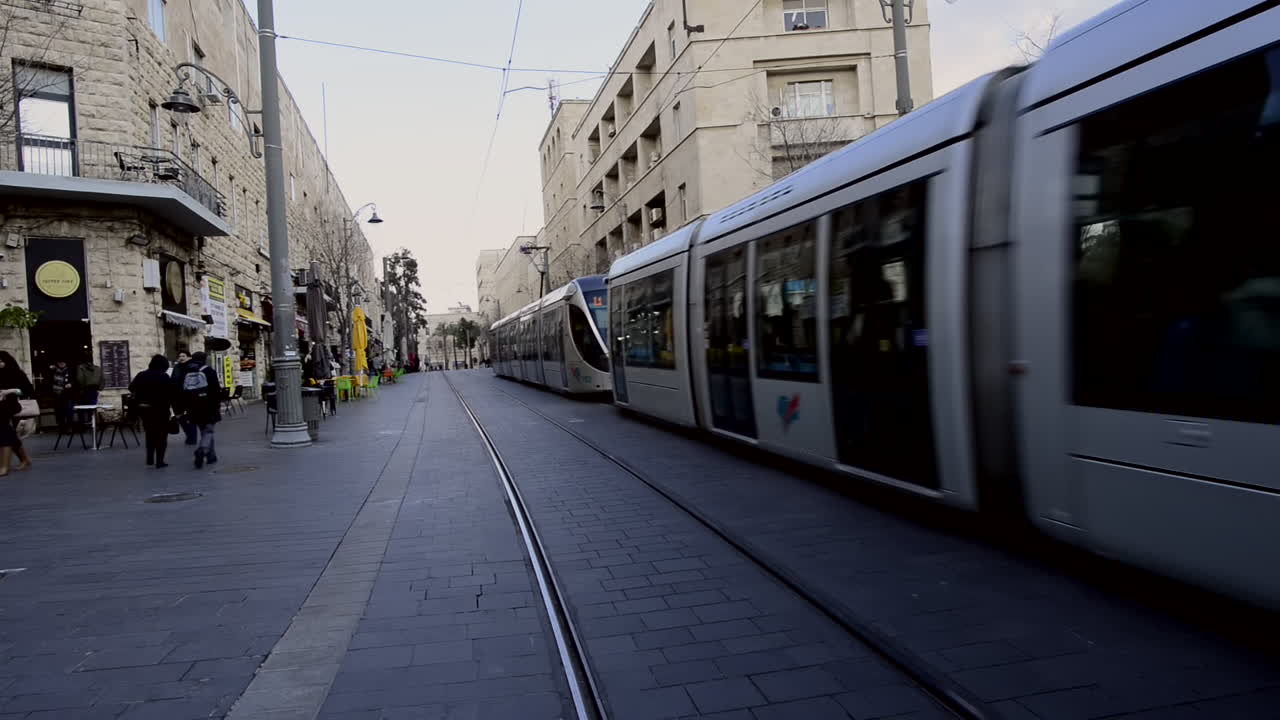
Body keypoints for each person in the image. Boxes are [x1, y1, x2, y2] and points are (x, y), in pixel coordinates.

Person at [129, 355, 175, 468]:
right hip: (161, 410)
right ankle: (160, 461)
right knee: (161, 436)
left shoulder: (141, 375)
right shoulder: (164, 376)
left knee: (150, 434)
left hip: (145, 410)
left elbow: (131, 387)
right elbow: (171, 393)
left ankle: (150, 459)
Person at [182, 351, 222, 468]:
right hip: (208, 406)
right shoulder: (209, 371)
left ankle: (211, 456)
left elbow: (182, 390)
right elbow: (216, 391)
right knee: (208, 431)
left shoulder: (187, 371)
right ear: (205, 359)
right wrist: (217, 406)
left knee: (203, 431)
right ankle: (202, 450)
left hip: (193, 407)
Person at [0, 351, 34, 476]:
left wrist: (10, 391)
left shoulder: (16, 373)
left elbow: (28, 390)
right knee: (9, 433)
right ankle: (25, 459)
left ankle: (4, 466)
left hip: (9, 406)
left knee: (4, 431)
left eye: (1, 361)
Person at [170, 351, 198, 446]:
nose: (181, 357)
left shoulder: (192, 366)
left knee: (191, 417)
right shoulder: (177, 367)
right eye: (179, 356)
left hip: (189, 395)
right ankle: (189, 434)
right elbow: (173, 379)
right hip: (177, 396)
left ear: (189, 357)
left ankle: (192, 438)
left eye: (183, 356)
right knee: (179, 416)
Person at [47, 358, 73, 428]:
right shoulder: (53, 371)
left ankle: (69, 427)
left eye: (63, 362)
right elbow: (48, 380)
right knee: (59, 411)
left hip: (68, 394)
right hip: (57, 394)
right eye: (60, 362)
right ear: (57, 363)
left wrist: (71, 384)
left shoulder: (70, 370)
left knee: (69, 410)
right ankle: (62, 426)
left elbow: (75, 380)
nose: (62, 363)